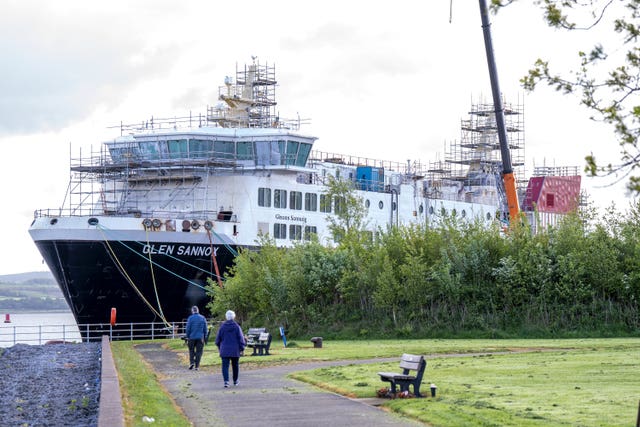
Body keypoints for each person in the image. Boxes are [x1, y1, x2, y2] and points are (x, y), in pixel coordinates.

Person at [215, 310, 246, 387]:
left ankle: (226, 382)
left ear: (226, 317)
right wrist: (242, 348)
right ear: (234, 317)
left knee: (225, 366)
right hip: (235, 350)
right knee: (235, 365)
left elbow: (218, 340)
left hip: (224, 349)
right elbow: (241, 338)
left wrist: (219, 347)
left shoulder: (222, 327)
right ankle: (235, 381)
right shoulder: (237, 327)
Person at [185, 305, 207, 370]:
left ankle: (192, 362)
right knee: (199, 352)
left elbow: (188, 329)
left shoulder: (190, 318)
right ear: (198, 311)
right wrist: (205, 337)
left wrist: (187, 336)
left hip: (191, 337)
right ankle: (197, 366)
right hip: (200, 337)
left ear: (192, 311)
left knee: (191, 350)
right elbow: (205, 329)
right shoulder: (203, 318)